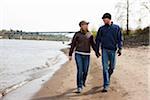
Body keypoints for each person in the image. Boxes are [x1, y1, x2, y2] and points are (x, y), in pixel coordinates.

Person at [69, 20, 100, 93]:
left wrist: (97, 52)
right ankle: (79, 86)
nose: (85, 26)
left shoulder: (89, 34)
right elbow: (73, 44)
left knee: (85, 71)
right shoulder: (77, 34)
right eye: (84, 24)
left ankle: (83, 81)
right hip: (78, 54)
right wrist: (70, 54)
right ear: (81, 26)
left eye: (86, 24)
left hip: (87, 55)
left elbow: (93, 44)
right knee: (80, 70)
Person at [96, 13, 123, 92]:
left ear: (109, 19)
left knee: (112, 67)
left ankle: (108, 76)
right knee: (105, 68)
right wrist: (97, 50)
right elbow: (98, 40)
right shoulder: (101, 29)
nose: (104, 21)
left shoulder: (116, 28)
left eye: (105, 19)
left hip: (113, 50)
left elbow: (120, 39)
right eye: (103, 19)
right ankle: (106, 85)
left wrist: (120, 48)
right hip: (104, 50)